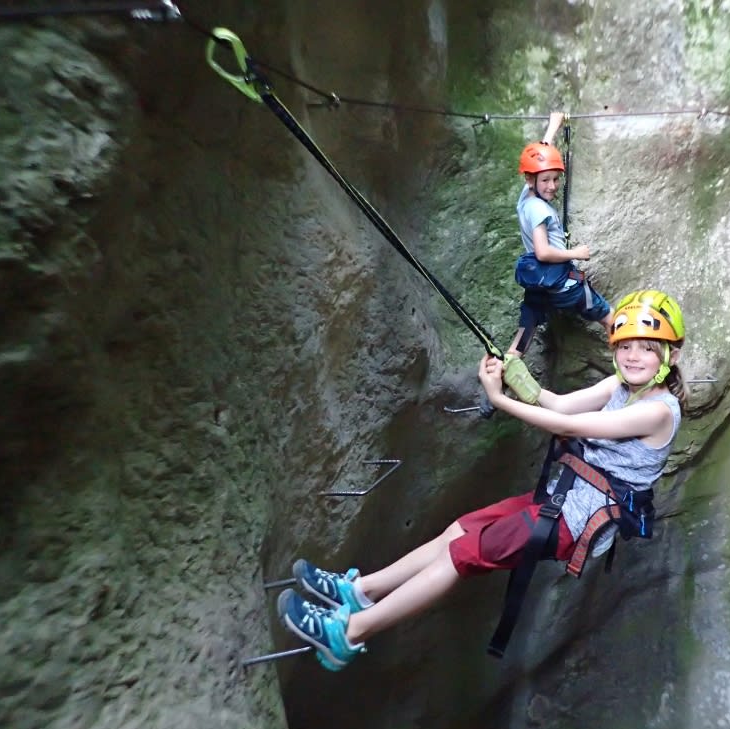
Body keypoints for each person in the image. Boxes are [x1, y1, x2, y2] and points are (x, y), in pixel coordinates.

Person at [277, 290, 688, 670]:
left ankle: (348, 634)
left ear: (666, 356)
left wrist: (499, 399)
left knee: (463, 553)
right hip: (560, 497)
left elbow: (567, 423)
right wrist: (517, 376)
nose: (634, 357)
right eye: (626, 346)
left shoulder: (659, 411)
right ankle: (359, 591)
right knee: (462, 528)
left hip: (577, 522)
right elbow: (558, 403)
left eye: (646, 349)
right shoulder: (620, 384)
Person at [507, 111, 614, 356]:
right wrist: (576, 252)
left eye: (555, 179)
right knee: (609, 317)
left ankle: (501, 379)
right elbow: (543, 252)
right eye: (546, 180)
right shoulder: (537, 209)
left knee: (522, 339)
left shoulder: (527, 195)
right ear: (531, 179)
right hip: (563, 285)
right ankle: (629, 371)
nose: (553, 186)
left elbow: (539, 159)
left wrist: (553, 127)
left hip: (539, 286)